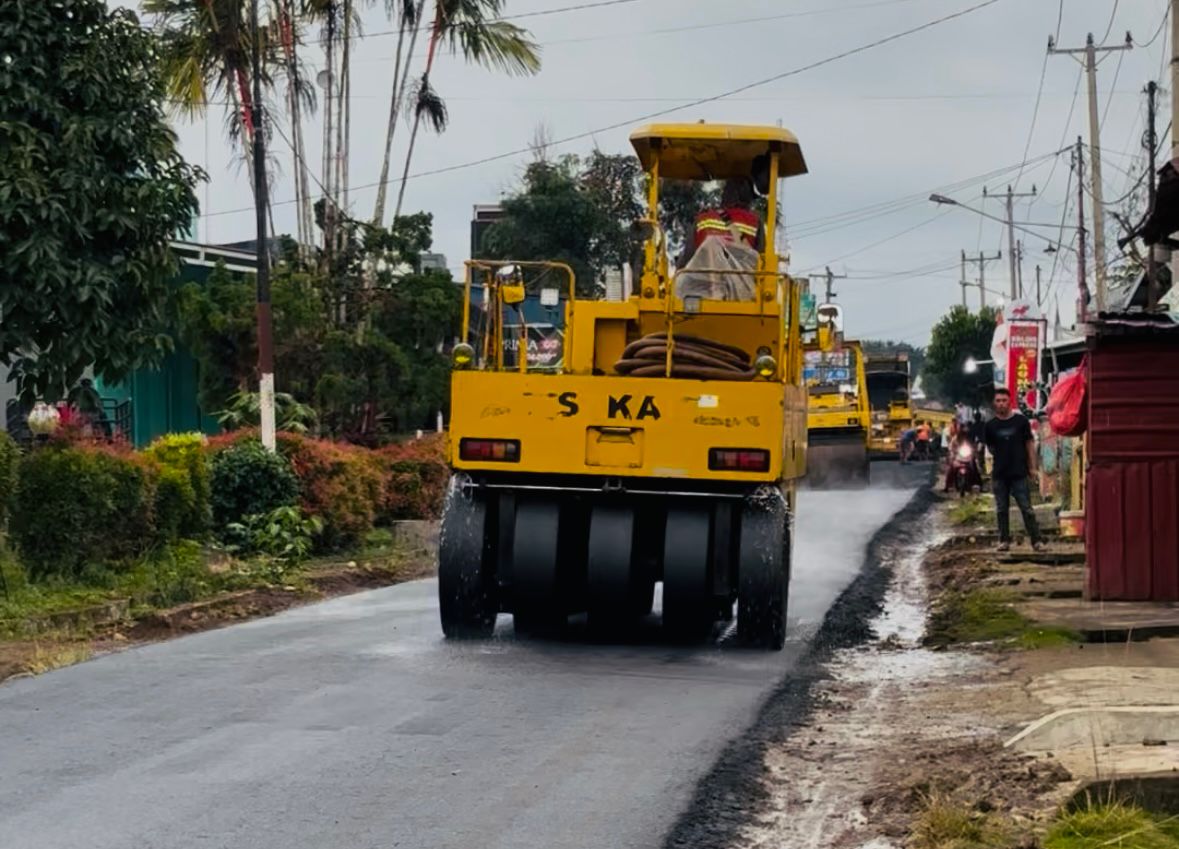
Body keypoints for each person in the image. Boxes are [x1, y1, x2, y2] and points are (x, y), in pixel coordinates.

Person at [984, 387, 1044, 552]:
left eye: (1004, 400)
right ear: (994, 403)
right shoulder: (990, 426)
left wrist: (1032, 467)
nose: (1001, 404)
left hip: (1019, 472)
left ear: (1010, 401)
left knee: (1027, 508)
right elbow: (990, 448)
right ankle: (1004, 541)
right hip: (1000, 474)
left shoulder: (1021, 422)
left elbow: (1029, 445)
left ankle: (1037, 541)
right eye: (998, 401)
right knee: (1002, 509)